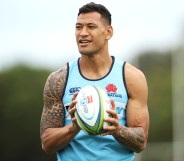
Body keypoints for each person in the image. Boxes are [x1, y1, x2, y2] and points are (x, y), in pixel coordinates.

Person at [40, 2, 149, 161]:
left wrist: (117, 130)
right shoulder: (58, 80)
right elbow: (47, 143)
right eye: (78, 27)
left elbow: (141, 142)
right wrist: (74, 128)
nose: (83, 33)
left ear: (108, 32)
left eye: (91, 27)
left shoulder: (132, 78)